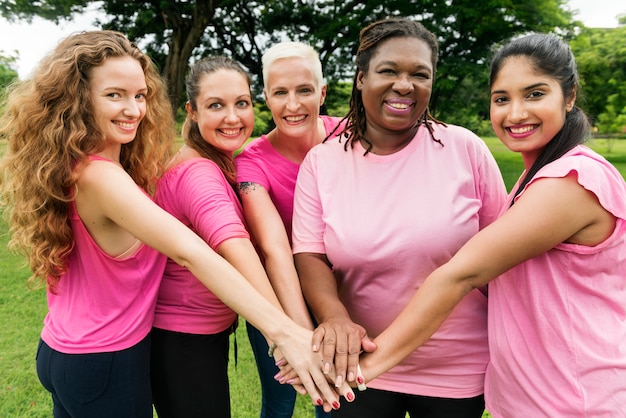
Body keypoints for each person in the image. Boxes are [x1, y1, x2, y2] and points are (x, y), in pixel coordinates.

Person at [0, 30, 351, 418]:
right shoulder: (105, 177)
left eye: (139, 95)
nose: (133, 109)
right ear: (81, 98)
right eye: (114, 95)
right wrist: (285, 333)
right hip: (104, 357)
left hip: (64, 348)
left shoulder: (92, 164)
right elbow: (194, 253)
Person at [353, 33, 626, 416]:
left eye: (534, 94)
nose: (515, 113)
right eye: (502, 99)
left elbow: (460, 276)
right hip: (532, 397)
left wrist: (364, 370)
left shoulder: (572, 182)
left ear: (569, 96)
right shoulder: (536, 178)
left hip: (577, 398)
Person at [290, 17, 507, 418]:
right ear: (360, 78)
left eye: (419, 74)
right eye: (388, 71)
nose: (404, 85)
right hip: (357, 364)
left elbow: (503, 254)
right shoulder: (323, 161)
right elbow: (310, 254)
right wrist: (335, 318)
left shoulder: (466, 150)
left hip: (455, 368)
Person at [150, 56, 285, 417]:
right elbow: (234, 245)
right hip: (184, 340)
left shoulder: (208, 159)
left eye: (241, 103)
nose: (232, 117)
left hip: (189, 336)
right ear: (191, 111)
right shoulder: (199, 173)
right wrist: (283, 331)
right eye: (216, 105)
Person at [235, 41, 364, 418]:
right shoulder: (252, 162)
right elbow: (274, 248)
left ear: (322, 93)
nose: (293, 105)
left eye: (304, 90)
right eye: (280, 93)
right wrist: (301, 337)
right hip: (280, 297)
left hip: (345, 294)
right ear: (266, 98)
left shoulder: (352, 136)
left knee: (338, 400)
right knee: (281, 400)